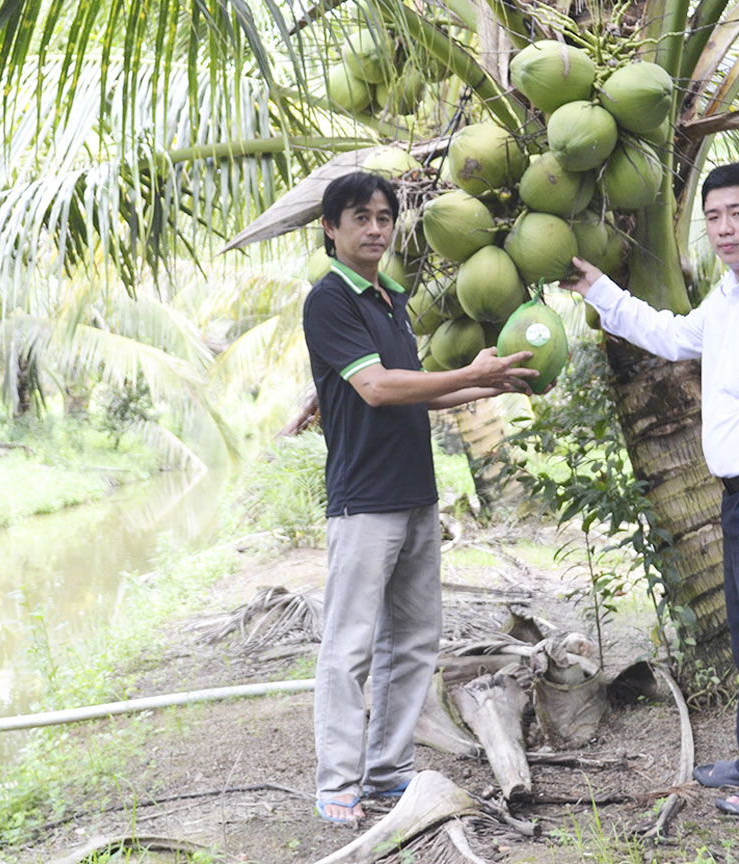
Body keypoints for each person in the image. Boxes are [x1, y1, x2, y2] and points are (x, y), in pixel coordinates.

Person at [560, 160, 739, 817]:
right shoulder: (734, 293)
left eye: (738, 213)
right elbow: (673, 336)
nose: (722, 228)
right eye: (713, 216)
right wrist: (600, 289)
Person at [303, 171, 540, 826]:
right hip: (363, 500)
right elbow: (378, 388)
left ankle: (388, 775)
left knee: (412, 642)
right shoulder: (330, 300)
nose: (375, 229)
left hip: (414, 493)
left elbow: (425, 390)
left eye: (383, 217)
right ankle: (338, 785)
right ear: (331, 228)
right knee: (350, 647)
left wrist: (494, 384)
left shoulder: (389, 297)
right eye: (360, 218)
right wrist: (471, 370)